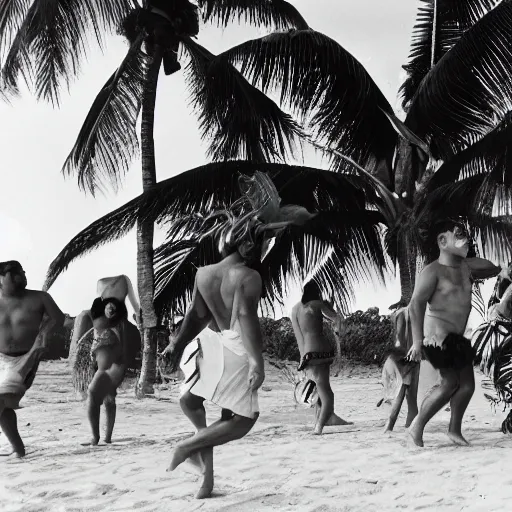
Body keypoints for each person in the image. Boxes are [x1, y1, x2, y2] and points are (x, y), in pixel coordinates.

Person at [160, 171, 315, 499]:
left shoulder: (203, 274)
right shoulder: (247, 276)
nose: (262, 248)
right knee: (242, 419)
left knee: (199, 410)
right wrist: (257, 362)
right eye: (261, 242)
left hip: (208, 346)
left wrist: (176, 343)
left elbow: (196, 316)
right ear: (246, 243)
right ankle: (186, 447)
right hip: (234, 347)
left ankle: (207, 478)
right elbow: (245, 318)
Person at [405, 219, 506, 447]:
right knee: (449, 383)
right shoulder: (432, 271)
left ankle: (454, 430)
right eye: (459, 235)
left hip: (458, 340)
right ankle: (416, 428)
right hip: (437, 339)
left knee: (468, 386)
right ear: (442, 241)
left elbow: (490, 267)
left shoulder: (466, 267)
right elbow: (415, 305)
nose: (467, 239)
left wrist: (503, 268)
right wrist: (417, 341)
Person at [0, 260, 65, 457]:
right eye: (15, 272)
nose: (22, 275)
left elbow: (58, 318)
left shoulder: (40, 298)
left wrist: (43, 336)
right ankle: (19, 450)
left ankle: (19, 450)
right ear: (1, 278)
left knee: (2, 401)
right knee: (3, 407)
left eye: (22, 271)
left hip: (25, 358)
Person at [290, 281, 352, 434]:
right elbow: (336, 319)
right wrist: (330, 307)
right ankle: (319, 426)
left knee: (318, 388)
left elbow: (299, 336)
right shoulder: (317, 304)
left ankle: (327, 418)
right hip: (321, 350)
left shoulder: (295, 309)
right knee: (326, 392)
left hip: (307, 353)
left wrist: (302, 358)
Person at [74, 297, 129, 446]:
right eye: (108, 308)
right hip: (105, 366)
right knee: (109, 399)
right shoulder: (101, 324)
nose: (111, 311)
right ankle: (107, 438)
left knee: (92, 393)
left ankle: (95, 438)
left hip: (113, 367)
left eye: (114, 309)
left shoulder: (119, 325)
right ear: (103, 308)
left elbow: (123, 347)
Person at [380, 306, 420, 432]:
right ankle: (391, 425)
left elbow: (397, 339)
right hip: (408, 359)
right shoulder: (411, 312)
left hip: (398, 358)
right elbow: (400, 339)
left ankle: (400, 425)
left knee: (402, 394)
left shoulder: (400, 314)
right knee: (406, 395)